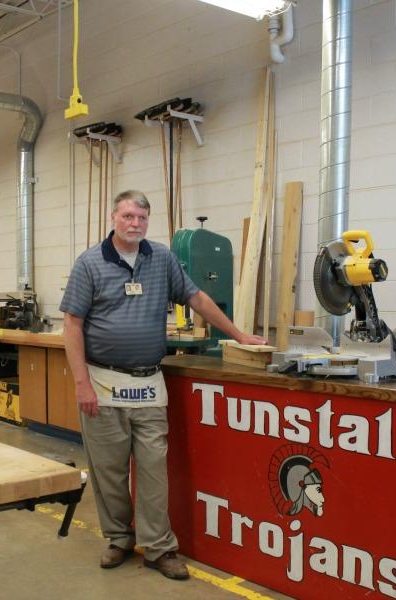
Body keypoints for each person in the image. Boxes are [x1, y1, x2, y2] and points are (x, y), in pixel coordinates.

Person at [59, 189, 267, 580]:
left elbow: (197, 297)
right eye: (127, 216)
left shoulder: (162, 259)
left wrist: (238, 334)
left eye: (141, 217)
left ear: (147, 221)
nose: (134, 223)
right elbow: (72, 324)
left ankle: (158, 548)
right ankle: (120, 538)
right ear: (113, 217)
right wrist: (81, 383)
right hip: (102, 383)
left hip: (148, 384)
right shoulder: (89, 263)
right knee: (109, 472)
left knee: (154, 471)